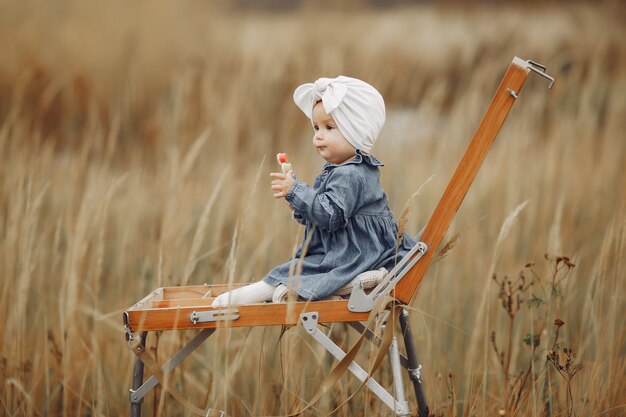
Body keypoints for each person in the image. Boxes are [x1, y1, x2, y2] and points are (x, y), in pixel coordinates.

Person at [212, 76, 415, 307]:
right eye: (316, 127)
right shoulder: (347, 168)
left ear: (356, 132)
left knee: (297, 270)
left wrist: (297, 191)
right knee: (298, 267)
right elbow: (324, 208)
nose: (318, 135)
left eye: (329, 128)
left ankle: (254, 294)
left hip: (355, 254)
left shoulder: (350, 174)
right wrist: (297, 200)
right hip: (347, 248)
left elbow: (331, 216)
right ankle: (266, 288)